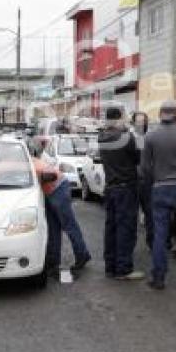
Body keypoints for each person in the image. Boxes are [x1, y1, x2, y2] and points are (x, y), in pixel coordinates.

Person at [141, 101, 176, 290]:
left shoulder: (150, 136)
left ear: (160, 115)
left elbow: (145, 167)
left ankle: (159, 278)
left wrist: (155, 181)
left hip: (160, 188)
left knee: (160, 235)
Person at [98, 107, 145, 281]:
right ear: (118, 119)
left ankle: (110, 266)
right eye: (124, 118)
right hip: (125, 188)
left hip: (110, 187)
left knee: (111, 228)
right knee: (126, 228)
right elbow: (137, 158)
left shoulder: (102, 137)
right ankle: (124, 268)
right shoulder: (126, 137)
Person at [32, 143, 91, 277]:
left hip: (58, 188)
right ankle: (53, 261)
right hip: (49, 191)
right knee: (53, 227)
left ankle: (82, 254)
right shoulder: (21, 162)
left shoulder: (27, 164)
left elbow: (51, 174)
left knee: (68, 224)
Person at [131, 111, 154, 249]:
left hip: (148, 181)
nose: (141, 123)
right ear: (133, 123)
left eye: (143, 120)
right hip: (133, 181)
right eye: (138, 121)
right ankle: (130, 242)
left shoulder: (150, 137)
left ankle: (151, 241)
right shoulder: (129, 138)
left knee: (150, 213)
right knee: (132, 214)